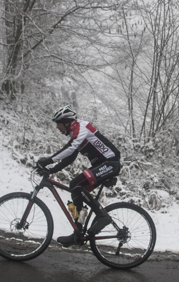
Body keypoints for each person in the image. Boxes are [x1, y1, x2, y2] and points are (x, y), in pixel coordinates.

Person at [36, 105, 122, 247]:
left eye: (58, 123)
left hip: (110, 162)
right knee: (76, 189)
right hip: (101, 165)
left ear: (66, 122)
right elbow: (70, 157)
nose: (57, 127)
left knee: (76, 183)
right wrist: (51, 170)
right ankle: (78, 232)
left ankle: (102, 217)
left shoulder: (82, 126)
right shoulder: (74, 133)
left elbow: (70, 148)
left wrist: (48, 160)